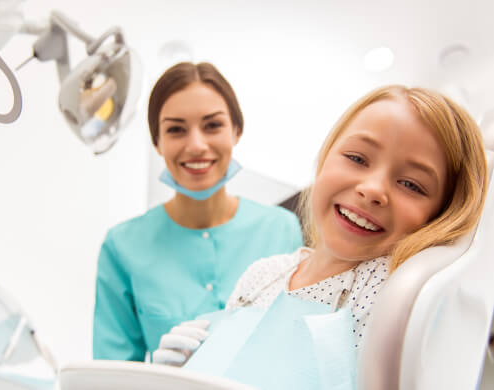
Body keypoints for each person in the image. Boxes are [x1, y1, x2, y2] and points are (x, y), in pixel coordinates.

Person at [153, 84, 488, 365]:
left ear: (441, 215)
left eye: (412, 185)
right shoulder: (262, 275)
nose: (372, 189)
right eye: (357, 158)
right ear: (325, 157)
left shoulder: (392, 294)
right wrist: (189, 371)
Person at [93, 62, 303, 361]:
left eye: (212, 125)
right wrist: (157, 376)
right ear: (157, 143)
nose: (196, 145)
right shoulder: (122, 247)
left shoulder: (281, 229)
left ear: (236, 131)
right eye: (176, 129)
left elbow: (297, 350)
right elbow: (108, 378)